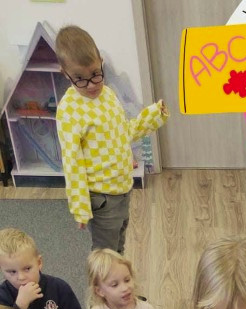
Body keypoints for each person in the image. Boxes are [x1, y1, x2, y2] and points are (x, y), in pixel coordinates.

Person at [54, 25, 168, 252]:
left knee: (118, 245)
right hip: (102, 197)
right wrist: (80, 207)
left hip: (122, 187)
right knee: (105, 255)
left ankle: (118, 274)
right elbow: (72, 163)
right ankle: (107, 276)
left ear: (101, 62)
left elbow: (123, 132)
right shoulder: (69, 111)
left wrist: (154, 115)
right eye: (79, 78)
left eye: (95, 74)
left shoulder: (108, 94)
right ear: (65, 74)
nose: (91, 84)